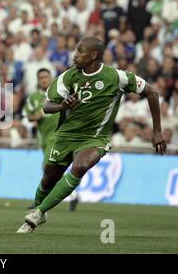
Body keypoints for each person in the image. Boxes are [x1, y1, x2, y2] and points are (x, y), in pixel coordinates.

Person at [17, 36, 166, 233]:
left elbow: (152, 92)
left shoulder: (117, 77)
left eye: (80, 51)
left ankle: (36, 215)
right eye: (76, 51)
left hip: (95, 138)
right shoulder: (68, 77)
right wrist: (62, 105)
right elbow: (47, 106)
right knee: (48, 179)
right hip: (65, 137)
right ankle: (40, 209)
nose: (75, 55)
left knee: (80, 166)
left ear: (94, 55)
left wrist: (157, 131)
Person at [23, 68, 79, 211]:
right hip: (43, 138)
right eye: (41, 77)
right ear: (37, 80)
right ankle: (73, 195)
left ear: (51, 78)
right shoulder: (33, 97)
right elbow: (28, 116)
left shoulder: (59, 93)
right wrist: (37, 116)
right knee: (53, 170)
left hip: (57, 136)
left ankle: (40, 202)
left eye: (46, 77)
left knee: (47, 167)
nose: (44, 80)